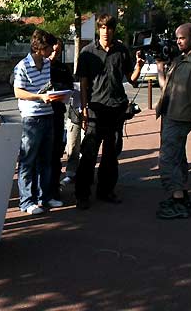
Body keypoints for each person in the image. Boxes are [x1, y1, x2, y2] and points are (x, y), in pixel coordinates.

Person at [74, 14, 144, 210]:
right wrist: (84, 108)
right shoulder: (87, 52)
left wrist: (138, 66)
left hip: (116, 109)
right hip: (95, 110)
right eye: (102, 28)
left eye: (109, 28)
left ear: (114, 30)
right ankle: (82, 194)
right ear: (98, 29)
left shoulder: (122, 51)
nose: (106, 31)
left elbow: (131, 79)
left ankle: (106, 191)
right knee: (88, 154)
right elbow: (84, 83)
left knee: (111, 155)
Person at [155, 23, 191, 219]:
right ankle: (181, 194)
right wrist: (160, 68)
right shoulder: (180, 59)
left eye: (182, 38)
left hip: (181, 116)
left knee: (167, 158)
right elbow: (166, 88)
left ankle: (178, 200)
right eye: (177, 38)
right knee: (178, 156)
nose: (178, 41)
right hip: (169, 113)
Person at [13, 29, 65, 215]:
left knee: (46, 159)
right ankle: (26, 201)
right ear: (41, 47)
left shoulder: (47, 64)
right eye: (50, 46)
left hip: (48, 114)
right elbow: (18, 92)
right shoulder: (22, 66)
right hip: (32, 118)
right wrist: (38, 96)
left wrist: (55, 96)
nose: (52, 50)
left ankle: (45, 197)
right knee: (28, 160)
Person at [48, 36, 74, 201]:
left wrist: (60, 90)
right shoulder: (39, 66)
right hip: (40, 115)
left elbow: (70, 86)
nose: (54, 55)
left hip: (57, 113)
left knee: (56, 153)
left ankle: (54, 189)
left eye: (58, 52)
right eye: (53, 51)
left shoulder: (63, 69)